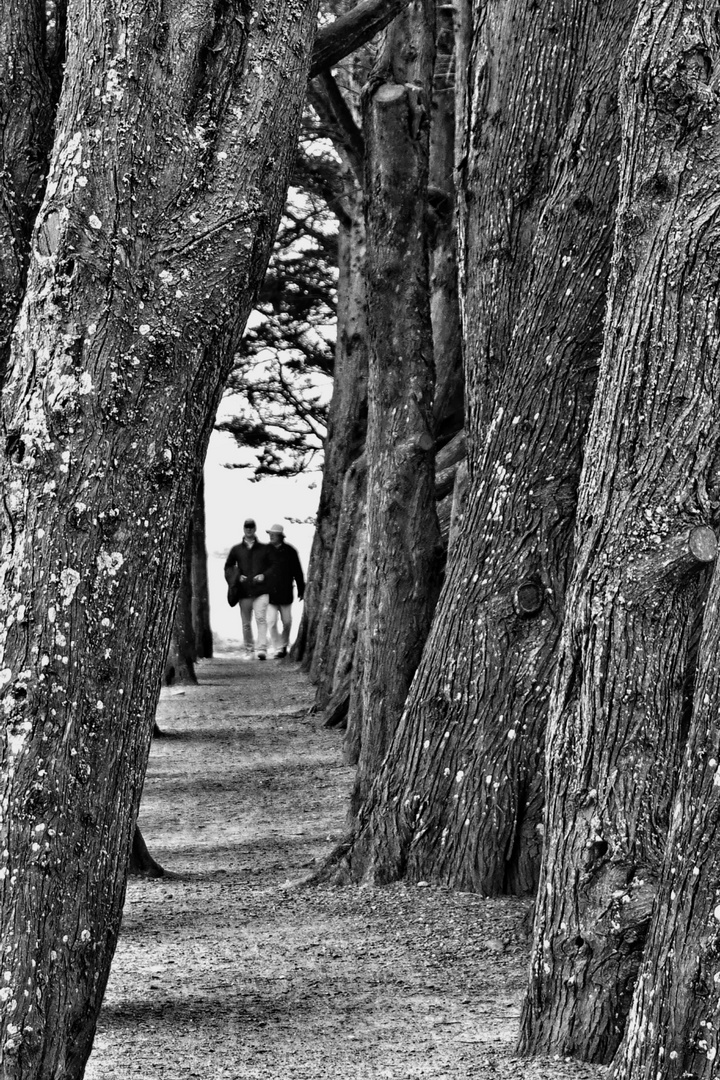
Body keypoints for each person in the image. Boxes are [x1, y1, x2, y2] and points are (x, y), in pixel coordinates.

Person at [224, 519, 272, 660]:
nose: (249, 529)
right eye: (247, 527)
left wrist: (264, 575)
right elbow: (228, 567)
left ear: (255, 528)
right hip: (244, 592)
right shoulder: (236, 550)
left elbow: (273, 567)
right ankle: (248, 650)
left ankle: (262, 649)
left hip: (261, 591)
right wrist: (237, 577)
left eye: (251, 527)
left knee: (261, 619)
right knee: (246, 624)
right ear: (243, 529)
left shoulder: (264, 549)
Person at [265, 523, 305, 659]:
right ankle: (277, 648)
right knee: (271, 622)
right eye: (270, 534)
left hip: (286, 592)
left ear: (280, 536)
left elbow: (298, 571)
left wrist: (301, 589)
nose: (271, 536)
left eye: (273, 535)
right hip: (269, 593)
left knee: (287, 621)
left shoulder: (290, 551)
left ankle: (283, 645)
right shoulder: (265, 551)